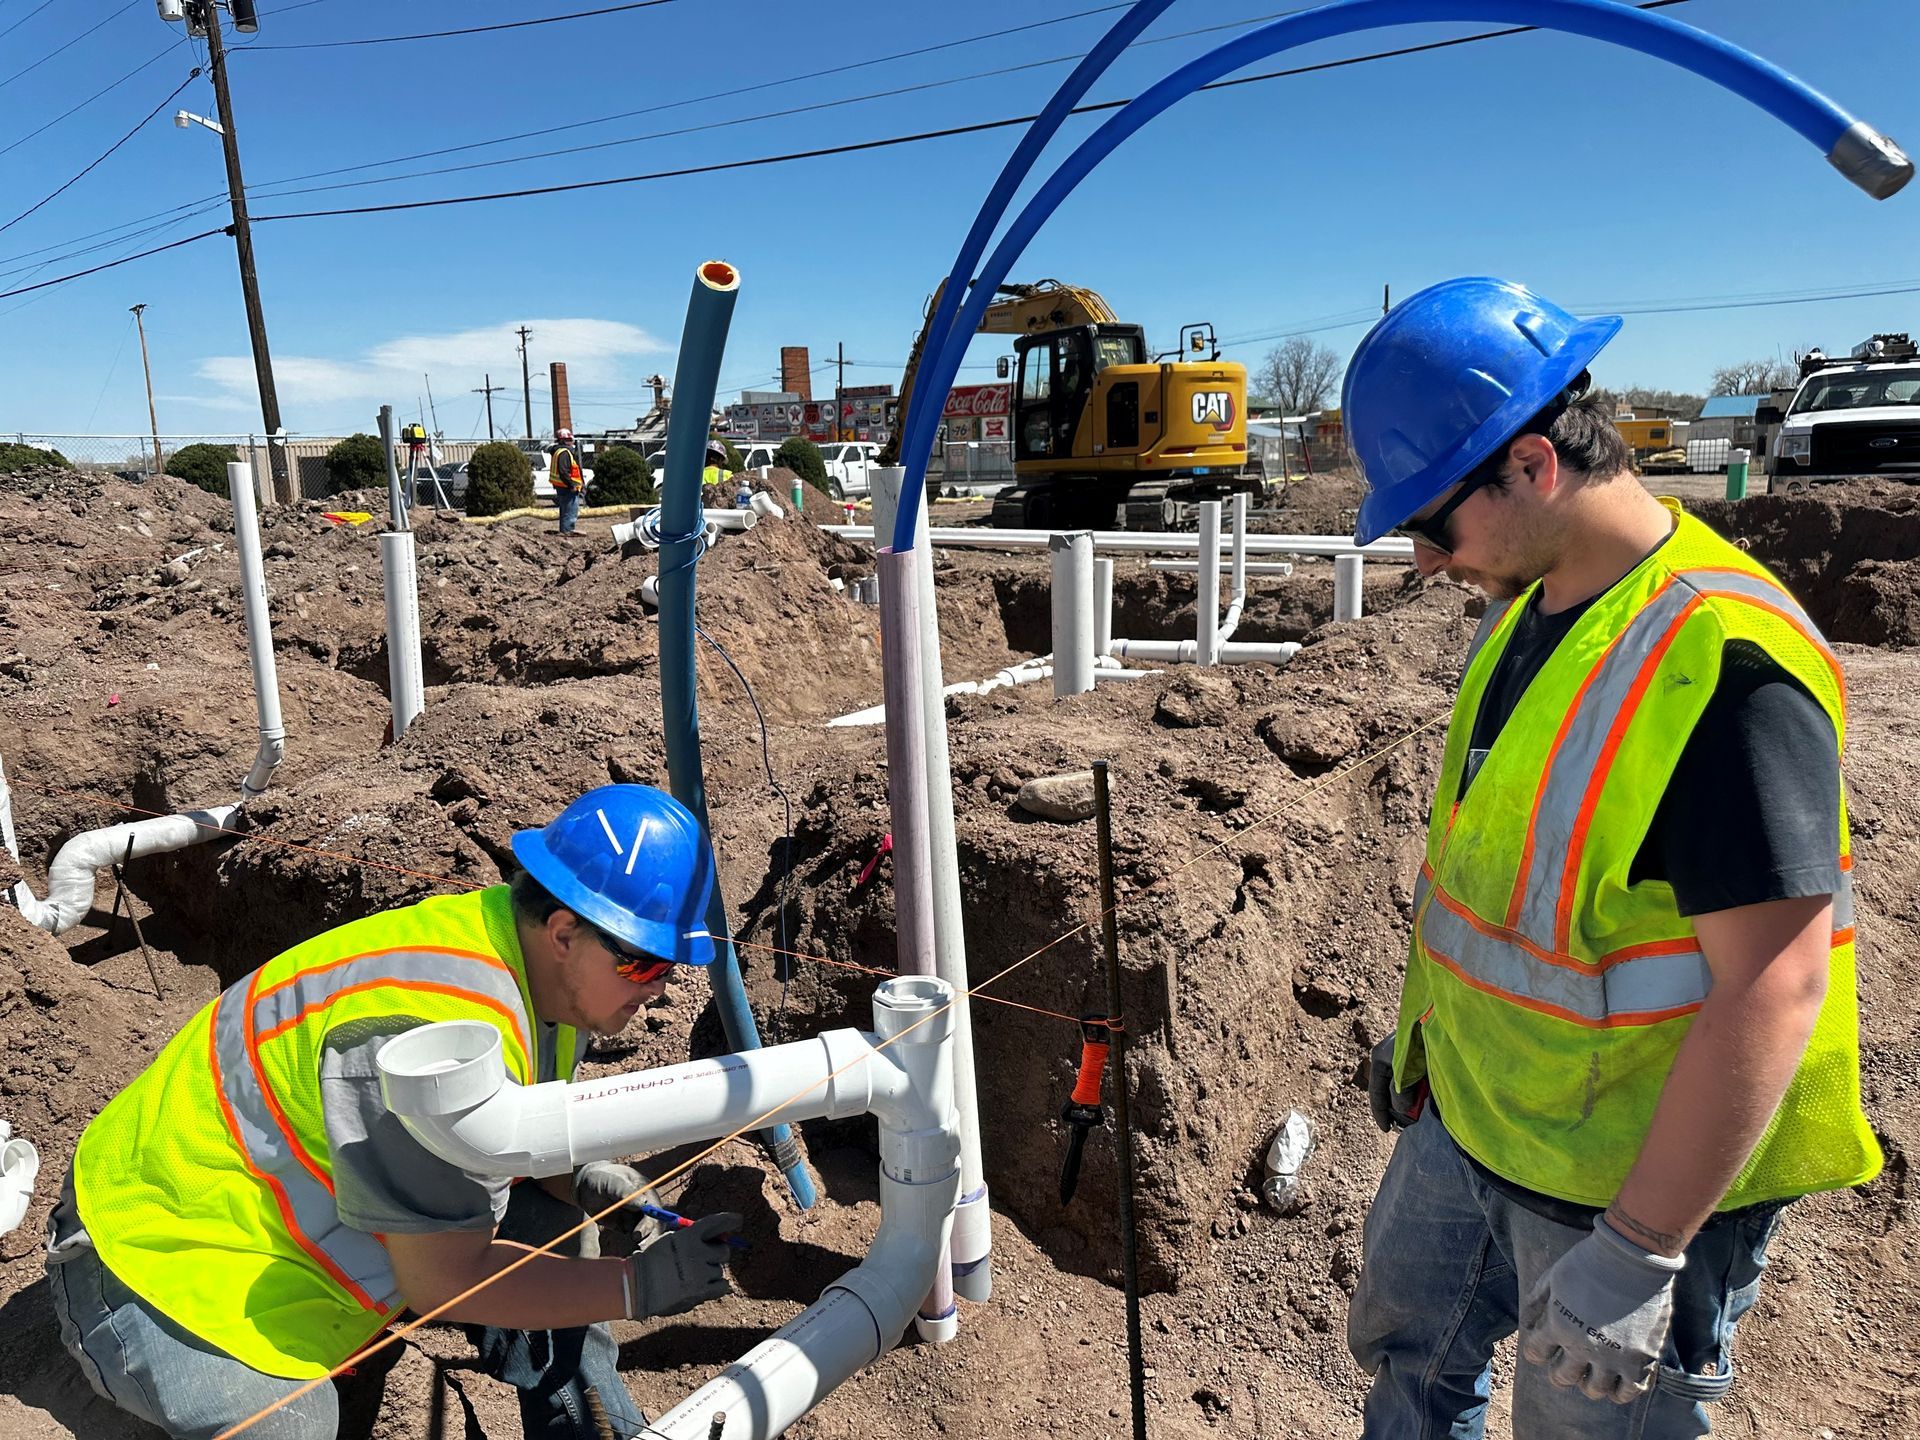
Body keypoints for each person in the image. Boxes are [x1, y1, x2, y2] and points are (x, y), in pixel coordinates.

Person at [1340, 277, 1880, 1440]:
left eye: (1435, 523)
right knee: (1408, 1361)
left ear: (1533, 465)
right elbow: (1507, 882)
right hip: (1484, 1117)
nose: (1428, 561)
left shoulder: (1722, 665)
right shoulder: (1536, 612)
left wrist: (1640, 1252)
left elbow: (1775, 982)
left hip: (1626, 1183)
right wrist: (1429, 1039)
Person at [44, 785, 740, 1440]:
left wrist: (582, 1176)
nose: (659, 989)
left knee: (555, 1233)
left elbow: (520, 1154)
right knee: (294, 1423)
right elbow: (443, 1282)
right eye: (645, 966)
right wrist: (635, 1285)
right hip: (153, 1261)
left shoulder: (544, 979)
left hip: (289, 1213)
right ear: (563, 931)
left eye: (669, 968)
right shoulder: (425, 1032)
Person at [551, 428, 585, 534]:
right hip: (567, 487)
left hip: (562, 486)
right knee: (570, 511)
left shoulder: (558, 451)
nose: (572, 442)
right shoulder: (564, 453)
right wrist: (571, 485)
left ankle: (565, 530)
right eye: (570, 440)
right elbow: (563, 471)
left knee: (565, 510)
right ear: (564, 440)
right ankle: (567, 531)